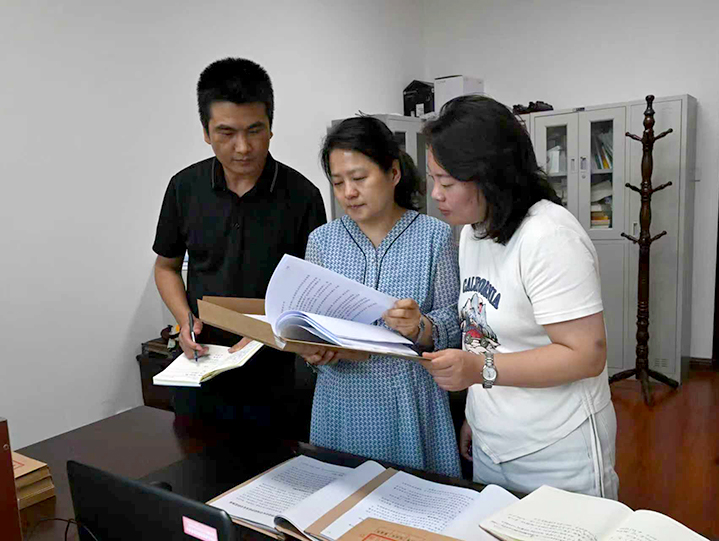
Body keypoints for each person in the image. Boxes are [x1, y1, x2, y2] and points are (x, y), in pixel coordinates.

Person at [420, 95, 619, 499]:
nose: (436, 194)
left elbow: (585, 355)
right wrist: (477, 416)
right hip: (494, 442)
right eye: (433, 179)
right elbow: (484, 333)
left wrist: (478, 370)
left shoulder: (549, 236)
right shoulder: (473, 232)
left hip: (556, 447)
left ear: (490, 176)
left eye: (447, 182)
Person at [152, 58, 326, 426]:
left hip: (276, 374)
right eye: (226, 133)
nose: (243, 147)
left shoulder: (303, 196)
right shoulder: (184, 188)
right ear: (206, 131)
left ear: (271, 128)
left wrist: (267, 331)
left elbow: (313, 290)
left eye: (254, 130)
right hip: (201, 368)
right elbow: (166, 266)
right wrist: (184, 320)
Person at [300, 116, 462, 476]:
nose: (348, 192)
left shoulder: (434, 236)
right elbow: (310, 325)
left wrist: (421, 325)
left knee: (414, 501)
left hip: (409, 402)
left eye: (359, 178)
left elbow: (457, 322)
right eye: (338, 182)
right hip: (339, 404)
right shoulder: (322, 242)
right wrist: (312, 351)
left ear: (393, 173)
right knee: (340, 501)